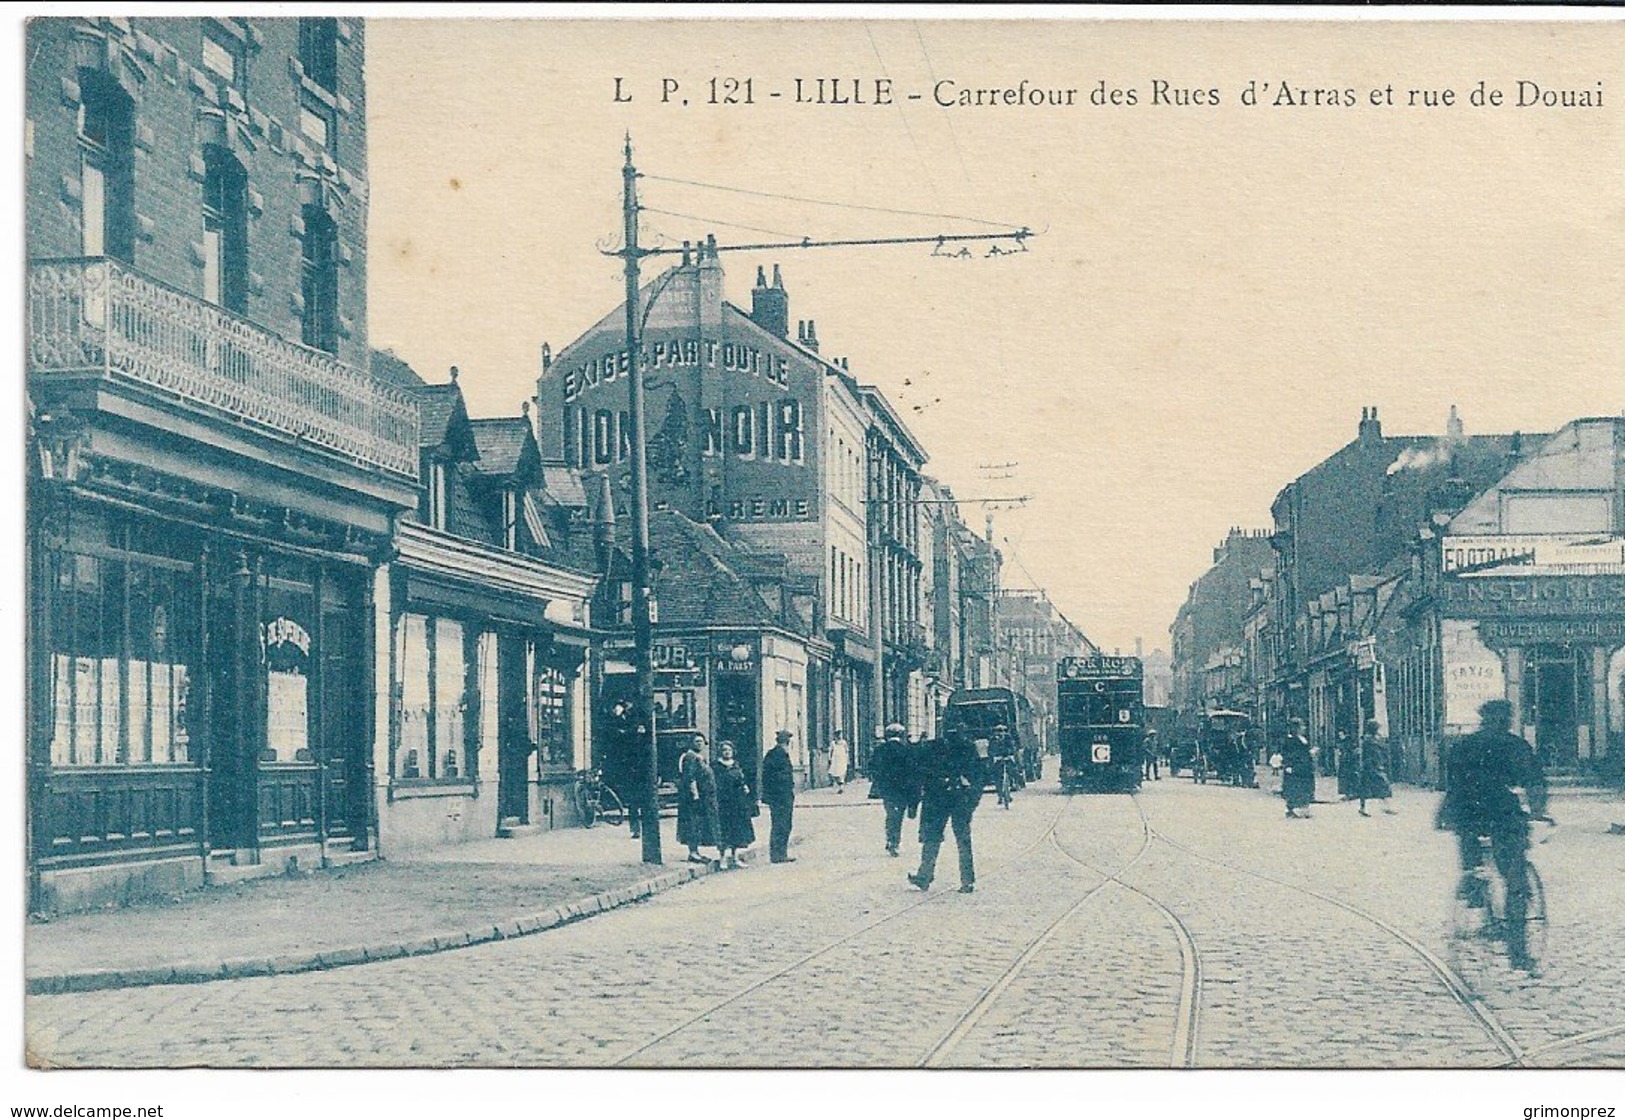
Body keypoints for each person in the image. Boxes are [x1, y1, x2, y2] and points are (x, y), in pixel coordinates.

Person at [1437, 699, 1549, 973]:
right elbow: (1534, 782)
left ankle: (1475, 890)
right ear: (1508, 720)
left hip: (1465, 815)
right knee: (1516, 881)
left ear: (1483, 719)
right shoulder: (1514, 746)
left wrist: (1444, 815)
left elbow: (1448, 784)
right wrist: (1537, 812)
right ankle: (1518, 952)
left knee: (1473, 862)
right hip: (1501, 815)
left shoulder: (1462, 746)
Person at [908, 729, 984, 894]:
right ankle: (967, 880)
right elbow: (979, 777)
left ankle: (925, 876)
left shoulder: (931, 747)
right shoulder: (968, 747)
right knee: (961, 839)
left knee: (932, 839)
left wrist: (914, 803)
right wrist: (972, 800)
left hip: (937, 799)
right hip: (956, 799)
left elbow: (918, 775)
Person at [869, 722, 920, 856]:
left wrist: (878, 782)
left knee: (891, 814)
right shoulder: (907, 750)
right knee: (897, 816)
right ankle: (894, 842)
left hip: (887, 789)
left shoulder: (880, 750)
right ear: (901, 735)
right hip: (903, 789)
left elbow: (872, 769)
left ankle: (891, 839)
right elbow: (914, 773)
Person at [676, 734, 720, 863]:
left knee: (699, 823)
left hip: (704, 796)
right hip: (694, 798)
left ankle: (695, 851)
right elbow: (690, 777)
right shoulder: (690, 757)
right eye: (696, 741)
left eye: (701, 741)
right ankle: (693, 852)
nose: (699, 744)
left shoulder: (700, 757)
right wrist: (695, 794)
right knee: (693, 823)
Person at [712, 740, 756, 869]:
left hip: (737, 802)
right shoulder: (716, 766)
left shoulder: (736, 765)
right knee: (724, 828)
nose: (727, 752)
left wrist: (745, 787)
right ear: (721, 752)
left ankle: (735, 857)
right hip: (723, 802)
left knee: (737, 829)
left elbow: (741, 780)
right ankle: (722, 858)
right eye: (724, 750)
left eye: (729, 750)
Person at [761, 729, 797, 863]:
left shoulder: (779, 754)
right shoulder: (776, 755)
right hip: (779, 796)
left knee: (784, 824)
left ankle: (781, 853)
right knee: (780, 824)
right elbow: (771, 777)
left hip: (784, 795)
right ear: (786, 742)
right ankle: (778, 854)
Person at [1357, 718, 1396, 817]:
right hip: (1372, 766)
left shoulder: (1371, 738)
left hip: (1372, 766)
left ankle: (1366, 808)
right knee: (1381, 785)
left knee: (1369, 788)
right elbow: (1377, 751)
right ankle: (1385, 807)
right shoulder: (1369, 740)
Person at [1281, 718, 1315, 819]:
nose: (1304, 728)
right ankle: (1292, 809)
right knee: (1294, 787)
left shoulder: (1303, 739)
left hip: (1304, 768)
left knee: (1305, 786)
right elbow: (1291, 754)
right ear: (1296, 728)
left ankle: (1303, 808)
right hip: (1296, 768)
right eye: (1302, 726)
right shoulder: (1290, 740)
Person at [829, 729, 850, 794]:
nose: (839, 736)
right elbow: (831, 751)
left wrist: (847, 759)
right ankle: (839, 785)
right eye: (838, 735)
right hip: (835, 760)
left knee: (842, 772)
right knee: (834, 773)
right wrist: (829, 758)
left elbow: (846, 751)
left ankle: (841, 787)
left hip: (842, 759)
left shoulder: (844, 743)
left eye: (840, 735)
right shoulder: (833, 743)